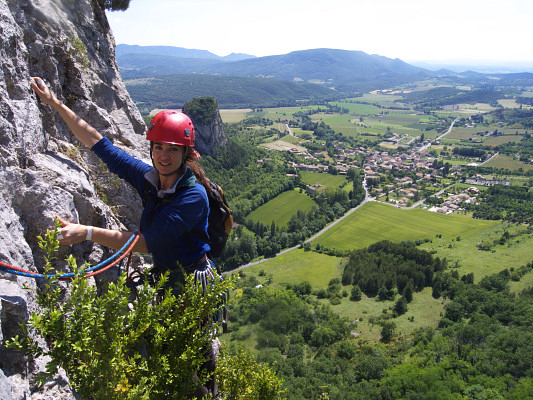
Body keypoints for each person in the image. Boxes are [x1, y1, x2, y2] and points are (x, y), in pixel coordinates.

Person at [30, 76, 218, 397]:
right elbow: (100, 145)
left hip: (189, 281)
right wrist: (54, 103)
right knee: (171, 351)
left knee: (190, 356)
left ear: (186, 155)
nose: (163, 155)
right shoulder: (150, 177)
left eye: (173, 150)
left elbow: (147, 243)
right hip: (168, 274)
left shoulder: (192, 196)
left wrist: (86, 232)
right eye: (158, 147)